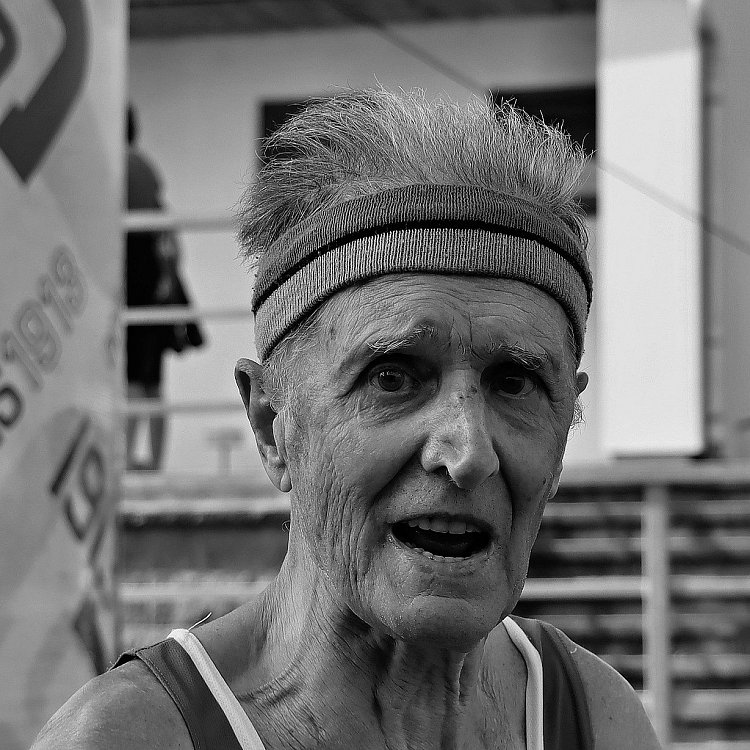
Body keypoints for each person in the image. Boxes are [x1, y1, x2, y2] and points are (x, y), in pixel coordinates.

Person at [33, 90, 659, 749]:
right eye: (393, 378)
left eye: (516, 383)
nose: (468, 451)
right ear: (272, 423)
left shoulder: (594, 718)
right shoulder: (133, 737)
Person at [125, 106, 203, 471]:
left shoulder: (118, 167)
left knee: (133, 382)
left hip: (135, 286)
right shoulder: (146, 169)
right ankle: (152, 462)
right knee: (151, 384)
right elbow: (167, 232)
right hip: (155, 286)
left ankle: (127, 459)